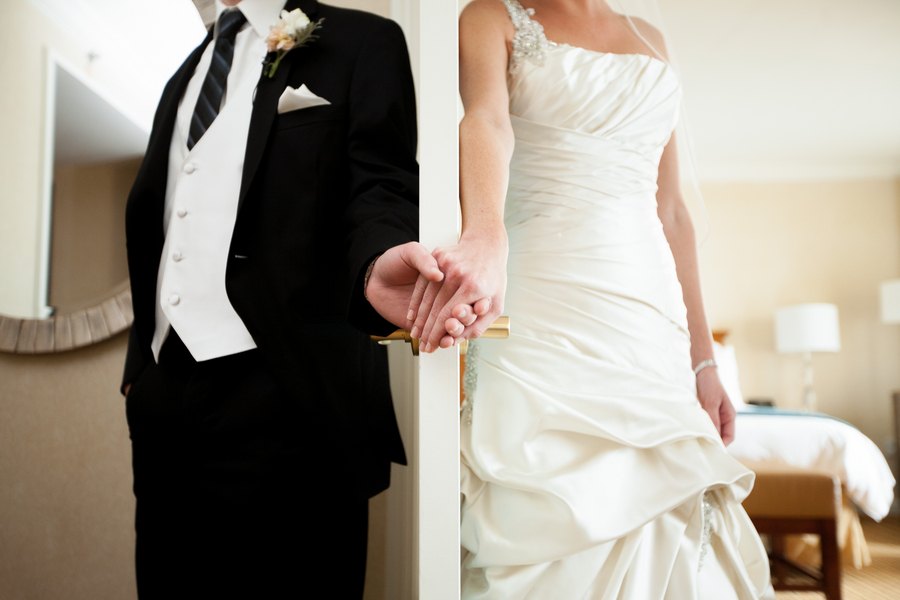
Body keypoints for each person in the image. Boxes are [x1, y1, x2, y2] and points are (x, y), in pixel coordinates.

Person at [408, 0, 776, 597]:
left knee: (666, 487)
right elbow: (486, 122)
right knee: (545, 483)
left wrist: (704, 361)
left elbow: (674, 209)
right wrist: (484, 236)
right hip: (544, 289)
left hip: (645, 305)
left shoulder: (652, 37)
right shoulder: (490, 16)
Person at [120, 0, 437, 597]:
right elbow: (161, 224)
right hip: (165, 406)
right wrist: (141, 368)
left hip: (293, 399)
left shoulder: (364, 41)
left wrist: (378, 259)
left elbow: (382, 186)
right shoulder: (183, 75)